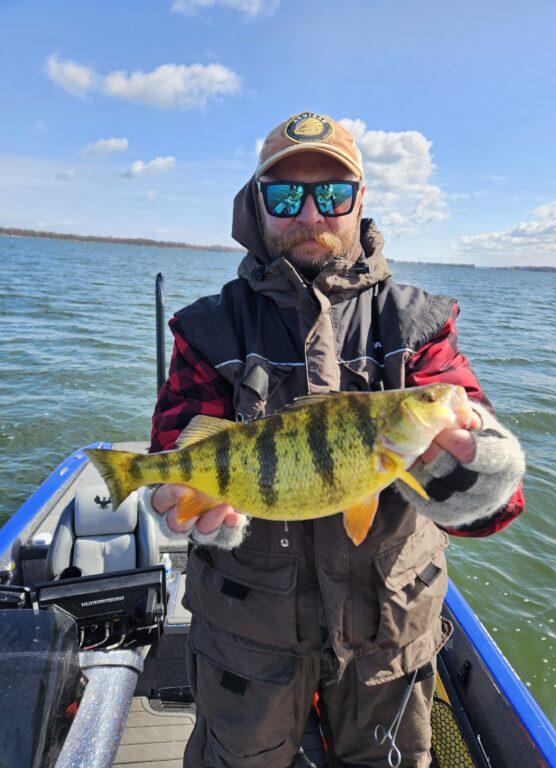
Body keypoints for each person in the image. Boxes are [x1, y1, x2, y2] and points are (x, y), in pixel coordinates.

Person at [143, 111, 526, 768]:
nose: (311, 213)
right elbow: (178, 448)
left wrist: (471, 465)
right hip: (246, 635)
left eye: (333, 193)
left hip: (391, 638)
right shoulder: (208, 330)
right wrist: (182, 502)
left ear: (360, 202)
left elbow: (493, 505)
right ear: (256, 206)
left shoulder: (419, 325)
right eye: (286, 195)